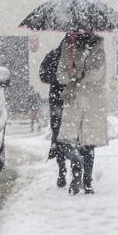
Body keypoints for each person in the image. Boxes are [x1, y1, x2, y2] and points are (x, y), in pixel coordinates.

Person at [54, 32, 108, 194]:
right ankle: (76, 178)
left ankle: (87, 180)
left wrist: (80, 74)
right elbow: (60, 75)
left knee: (88, 143)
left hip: (92, 102)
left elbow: (98, 72)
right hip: (74, 101)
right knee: (73, 141)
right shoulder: (68, 47)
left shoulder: (98, 48)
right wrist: (69, 75)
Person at [39, 43, 68, 187]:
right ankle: (62, 170)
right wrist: (57, 77)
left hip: (69, 101)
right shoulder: (54, 55)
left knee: (67, 136)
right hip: (58, 101)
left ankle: (70, 170)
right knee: (59, 135)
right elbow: (43, 75)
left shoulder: (77, 57)